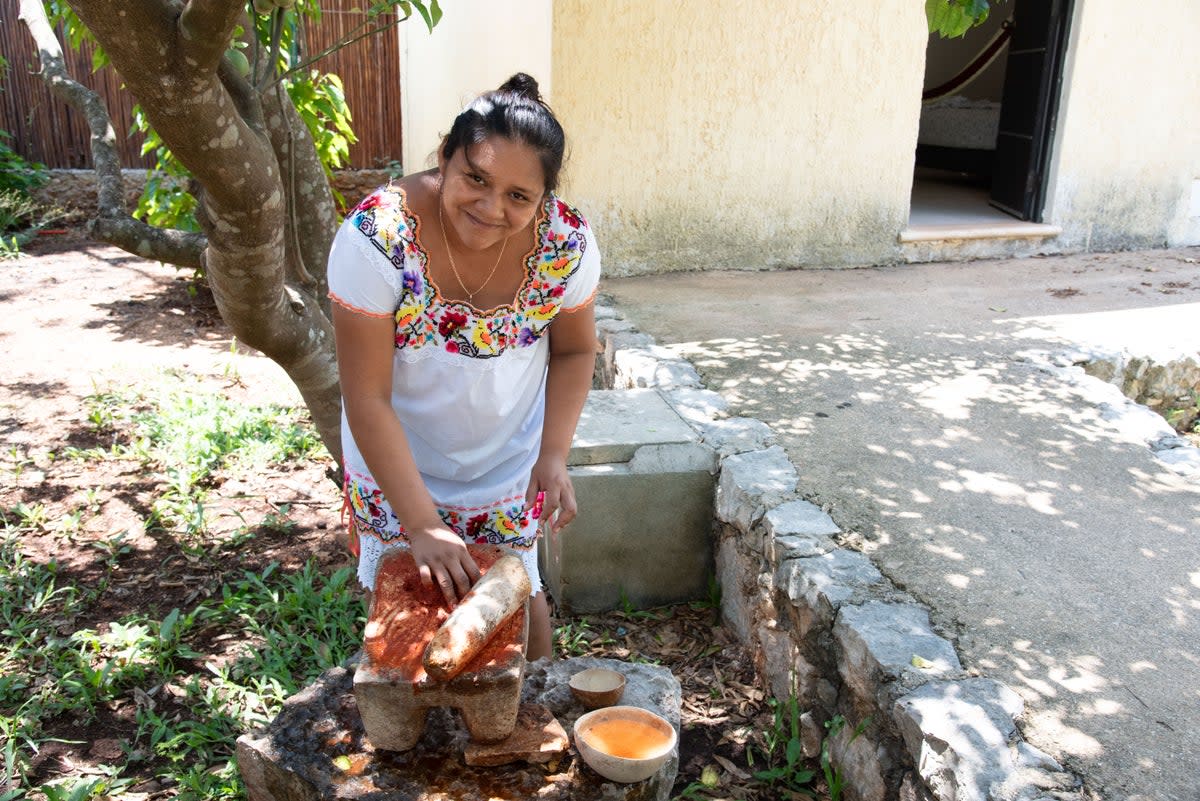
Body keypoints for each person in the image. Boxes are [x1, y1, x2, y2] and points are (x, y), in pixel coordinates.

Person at [327, 73, 600, 661]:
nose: (490, 207)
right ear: (444, 160)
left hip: (507, 464)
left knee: (515, 600)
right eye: (475, 178)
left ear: (544, 199)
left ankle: (535, 728)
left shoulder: (564, 246)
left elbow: (576, 351)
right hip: (399, 465)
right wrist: (421, 524)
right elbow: (366, 397)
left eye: (518, 197)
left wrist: (552, 455)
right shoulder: (377, 239)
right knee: (411, 617)